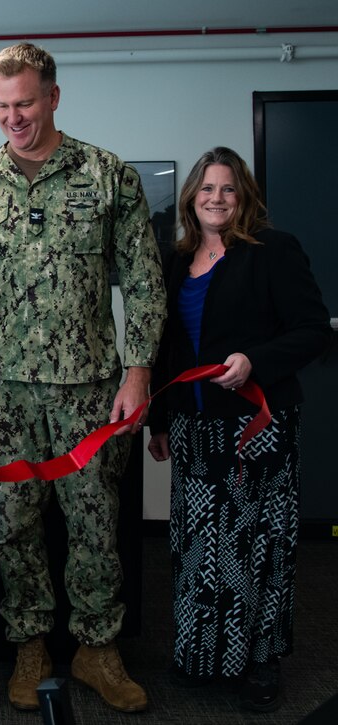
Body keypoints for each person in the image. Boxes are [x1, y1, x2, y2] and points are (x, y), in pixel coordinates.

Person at [0, 42, 166, 713]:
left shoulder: (106, 176)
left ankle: (99, 648)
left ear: (53, 97)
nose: (14, 117)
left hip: (93, 390)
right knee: (14, 524)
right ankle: (30, 644)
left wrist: (138, 373)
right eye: (4, 106)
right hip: (8, 391)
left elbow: (146, 280)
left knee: (95, 523)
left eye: (26, 103)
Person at [147, 147, 331, 713]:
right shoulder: (176, 259)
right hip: (195, 429)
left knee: (259, 547)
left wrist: (255, 360)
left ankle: (259, 660)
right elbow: (166, 346)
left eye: (227, 189)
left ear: (243, 196)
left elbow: (312, 330)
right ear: (191, 197)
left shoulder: (272, 251)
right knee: (200, 547)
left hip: (258, 427)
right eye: (207, 189)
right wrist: (158, 419)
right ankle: (203, 655)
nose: (216, 198)